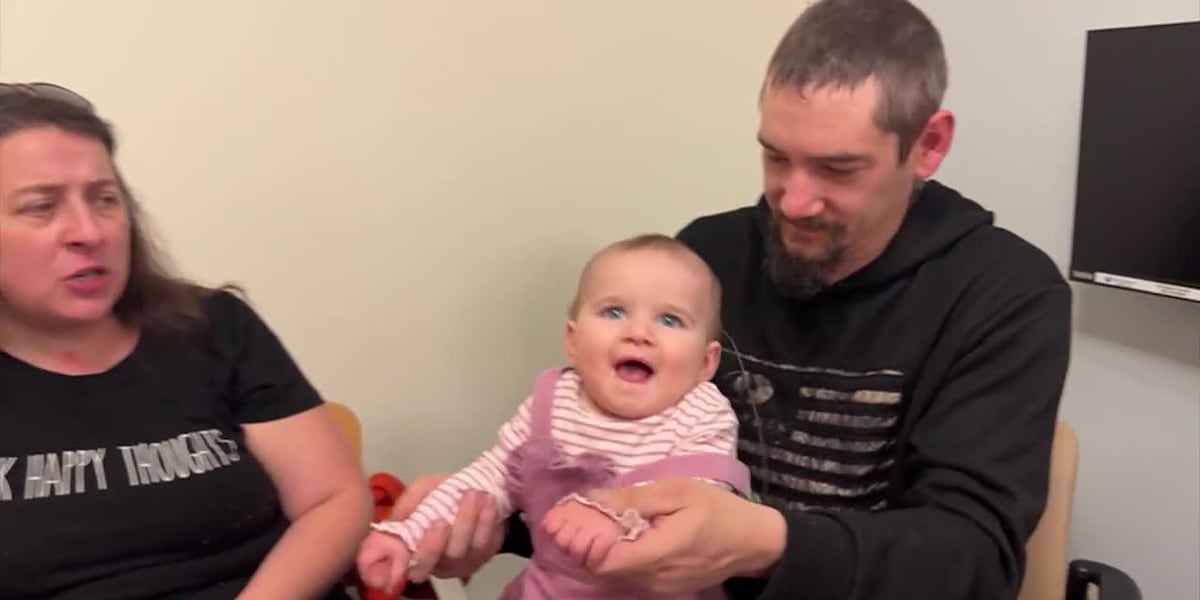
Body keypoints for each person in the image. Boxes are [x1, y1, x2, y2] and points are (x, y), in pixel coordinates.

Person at [385, 1, 1073, 599]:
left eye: (837, 169)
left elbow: (973, 561)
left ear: (928, 145)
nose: (794, 202)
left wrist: (767, 542)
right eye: (776, 157)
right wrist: (491, 520)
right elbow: (612, 462)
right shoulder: (707, 258)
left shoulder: (1007, 295)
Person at [0, 83, 372, 599]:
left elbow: (333, 499)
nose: (89, 231)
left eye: (105, 199)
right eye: (41, 207)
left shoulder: (213, 326)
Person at [356, 234, 750, 598]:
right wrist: (407, 535)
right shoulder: (552, 403)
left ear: (706, 362)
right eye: (614, 311)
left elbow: (703, 511)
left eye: (669, 320)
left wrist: (618, 518)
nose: (639, 333)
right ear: (573, 341)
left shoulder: (701, 415)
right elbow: (487, 480)